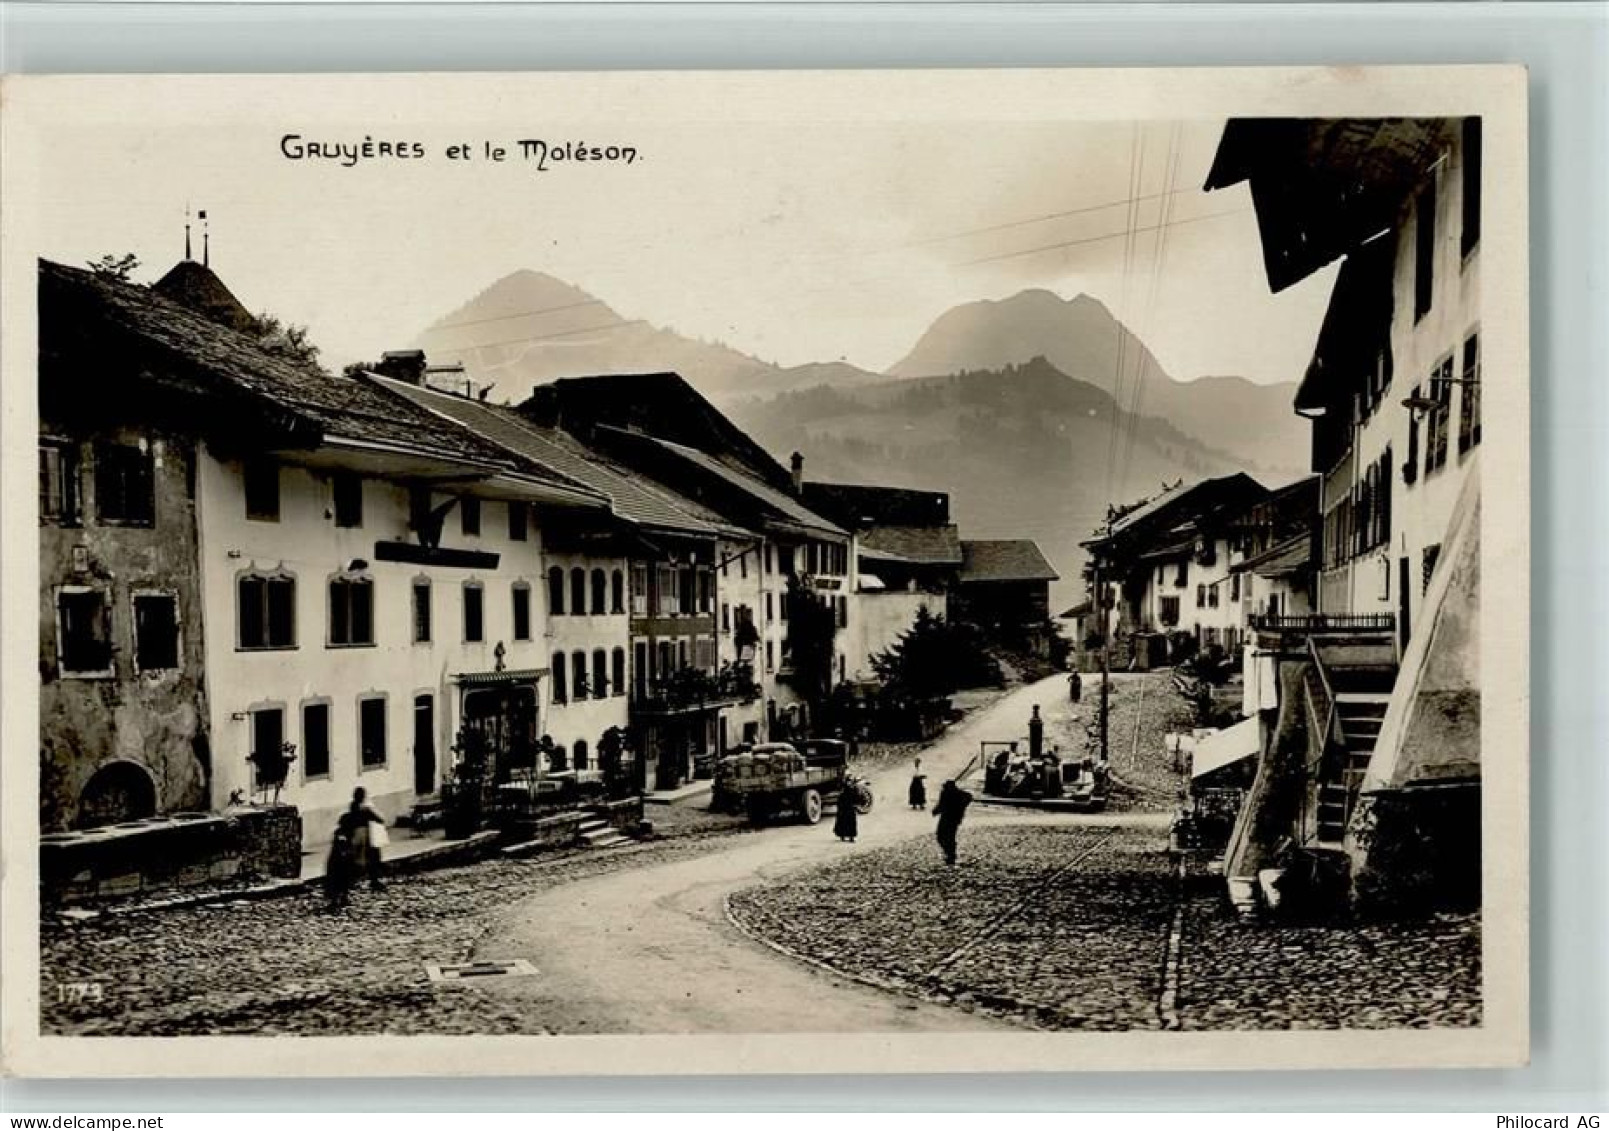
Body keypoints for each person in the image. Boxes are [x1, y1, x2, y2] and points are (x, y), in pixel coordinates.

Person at [337, 787, 387, 892]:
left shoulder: (351, 810)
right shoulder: (365, 810)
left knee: (354, 861)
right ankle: (374, 881)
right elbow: (381, 819)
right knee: (373, 858)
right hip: (364, 838)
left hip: (353, 838)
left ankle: (350, 882)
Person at [931, 780, 973, 866]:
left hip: (947, 818)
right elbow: (969, 797)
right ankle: (950, 853)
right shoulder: (959, 794)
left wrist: (935, 811)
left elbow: (941, 805)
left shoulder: (947, 794)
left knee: (942, 836)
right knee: (949, 836)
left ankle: (950, 854)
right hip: (955, 819)